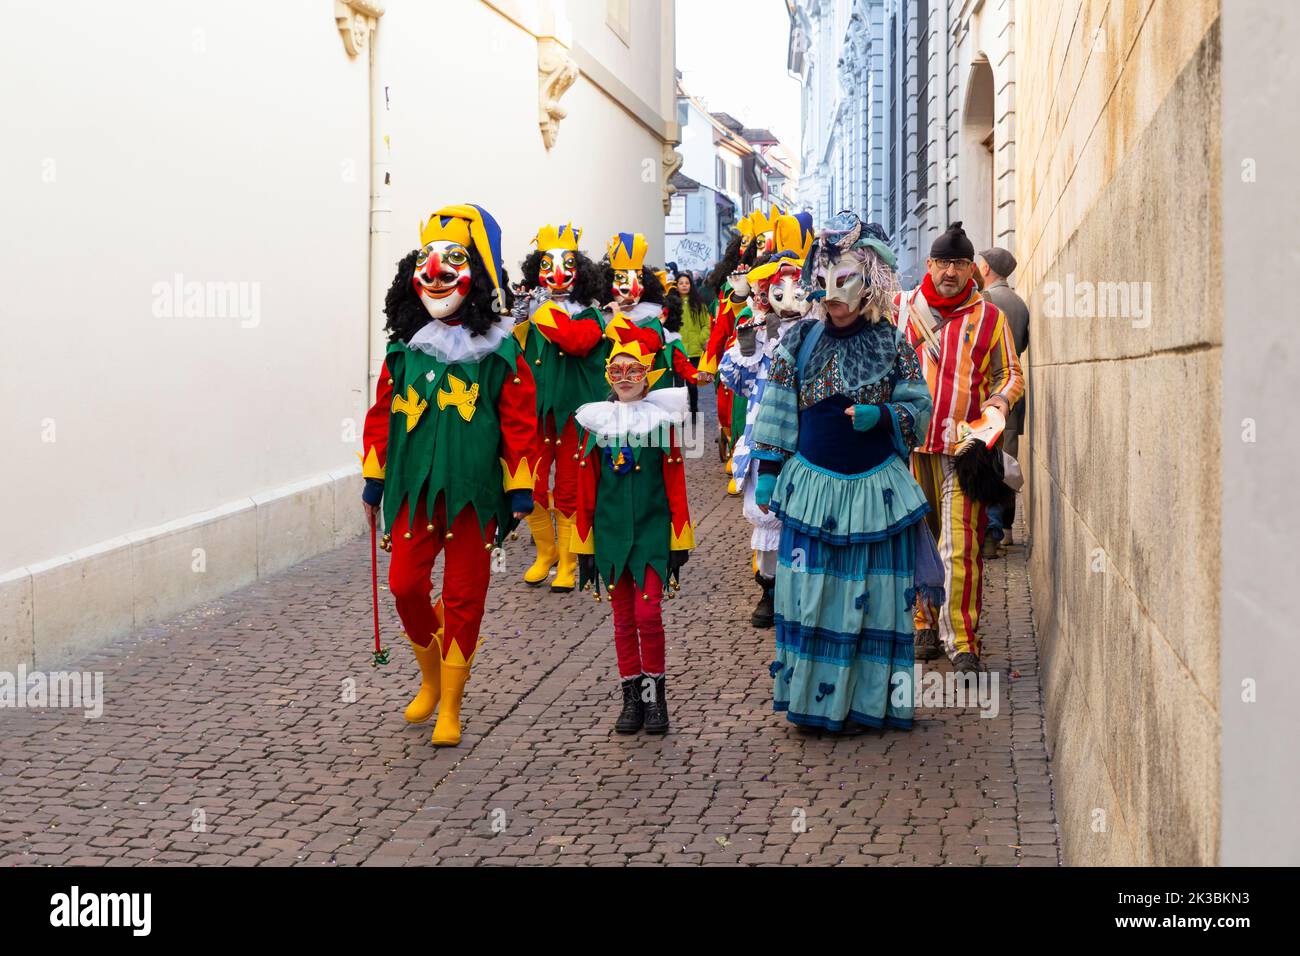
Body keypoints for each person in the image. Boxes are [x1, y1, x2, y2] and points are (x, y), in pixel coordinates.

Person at [751, 212, 940, 731]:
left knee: (875, 600)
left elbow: (919, 407)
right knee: (813, 596)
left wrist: (884, 415)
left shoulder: (892, 344)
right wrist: (768, 469)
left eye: (845, 280)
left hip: (876, 491)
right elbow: (776, 408)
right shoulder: (797, 342)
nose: (832, 293)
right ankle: (814, 705)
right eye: (826, 280)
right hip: (811, 492)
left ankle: (868, 704)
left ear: (870, 280)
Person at [361, 204, 538, 746]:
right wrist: (374, 478)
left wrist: (520, 488)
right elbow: (380, 416)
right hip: (414, 493)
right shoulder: (403, 353)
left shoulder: (500, 352)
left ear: (477, 274)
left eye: (452, 259)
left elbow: (519, 420)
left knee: (464, 597)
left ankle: (451, 705)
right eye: (426, 260)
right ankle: (431, 679)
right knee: (404, 585)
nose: (435, 272)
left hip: (474, 496)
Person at [896, 223, 1024, 673]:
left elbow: (1009, 374)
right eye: (943, 262)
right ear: (930, 265)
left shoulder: (990, 317)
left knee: (960, 547)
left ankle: (962, 639)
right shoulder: (903, 310)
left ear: (973, 268)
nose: (950, 271)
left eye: (959, 263)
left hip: (962, 449)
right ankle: (920, 624)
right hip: (909, 450)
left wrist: (991, 415)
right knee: (914, 543)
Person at [573, 340, 695, 735]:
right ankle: (631, 701)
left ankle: (653, 697)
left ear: (647, 378)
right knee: (623, 620)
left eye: (634, 372)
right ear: (609, 377)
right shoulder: (595, 425)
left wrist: (679, 539)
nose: (625, 379)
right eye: (617, 372)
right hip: (609, 537)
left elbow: (675, 482)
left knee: (648, 615)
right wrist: (584, 546)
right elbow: (585, 488)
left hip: (651, 534)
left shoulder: (661, 425)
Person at [718, 211, 814, 628]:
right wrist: (748, 343)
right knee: (767, 511)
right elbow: (735, 379)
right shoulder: (757, 330)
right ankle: (770, 590)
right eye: (779, 288)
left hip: (810, 436)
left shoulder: (820, 328)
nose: (788, 295)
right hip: (765, 435)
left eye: (795, 286)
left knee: (808, 513)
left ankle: (805, 590)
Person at [512, 223, 606, 591]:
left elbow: (576, 341)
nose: (556, 273)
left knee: (568, 487)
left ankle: (568, 561)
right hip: (538, 414)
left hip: (573, 415)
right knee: (532, 483)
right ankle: (545, 552)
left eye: (565, 264)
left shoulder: (589, 315)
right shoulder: (537, 314)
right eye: (547, 265)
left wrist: (542, 313)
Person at [977, 247, 1030, 551]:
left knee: (987, 462)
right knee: (1006, 462)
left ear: (986, 269)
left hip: (990, 396)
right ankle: (1004, 528)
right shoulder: (1020, 303)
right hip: (1014, 396)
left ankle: (992, 530)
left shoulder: (987, 302)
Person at [675, 271, 713, 418]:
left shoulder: (699, 304)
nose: (684, 286)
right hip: (678, 351)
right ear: (676, 286)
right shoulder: (673, 304)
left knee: (692, 384)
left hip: (694, 350)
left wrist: (700, 339)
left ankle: (694, 410)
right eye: (681, 283)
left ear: (691, 285)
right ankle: (680, 413)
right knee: (678, 386)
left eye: (687, 283)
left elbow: (706, 325)